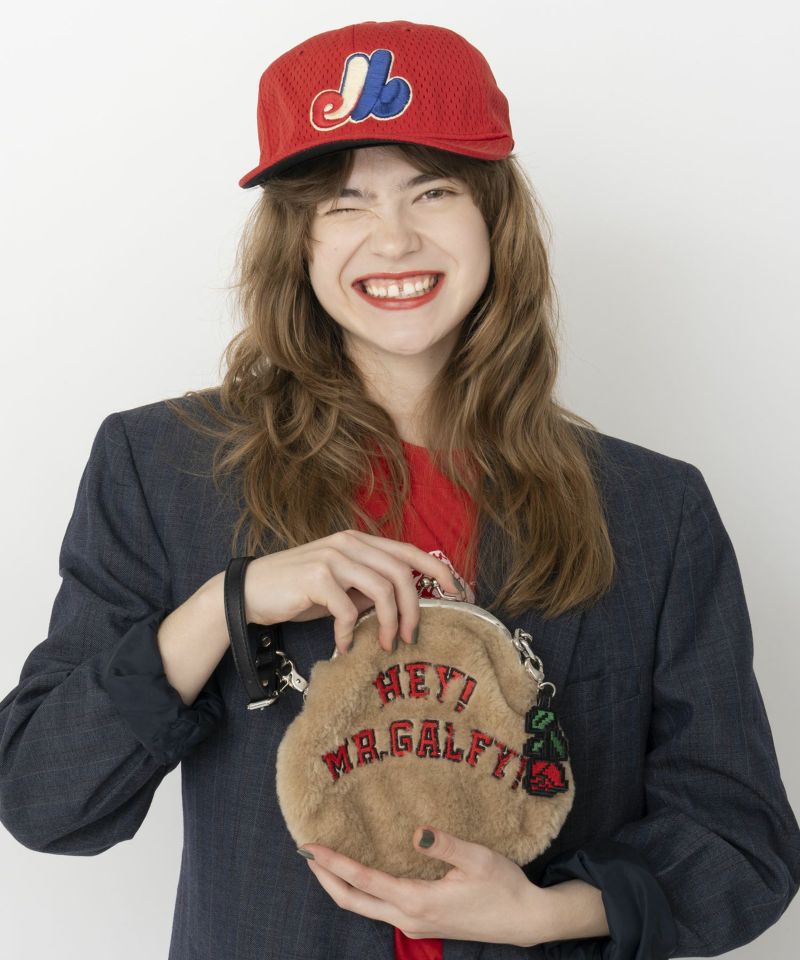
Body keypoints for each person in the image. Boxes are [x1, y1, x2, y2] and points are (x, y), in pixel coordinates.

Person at [1, 18, 798, 960]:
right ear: (296, 242)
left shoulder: (655, 510)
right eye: (344, 203)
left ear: (494, 220)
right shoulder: (160, 466)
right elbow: (43, 797)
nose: (394, 239)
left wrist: (551, 912)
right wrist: (227, 603)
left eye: (433, 190)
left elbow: (743, 845)